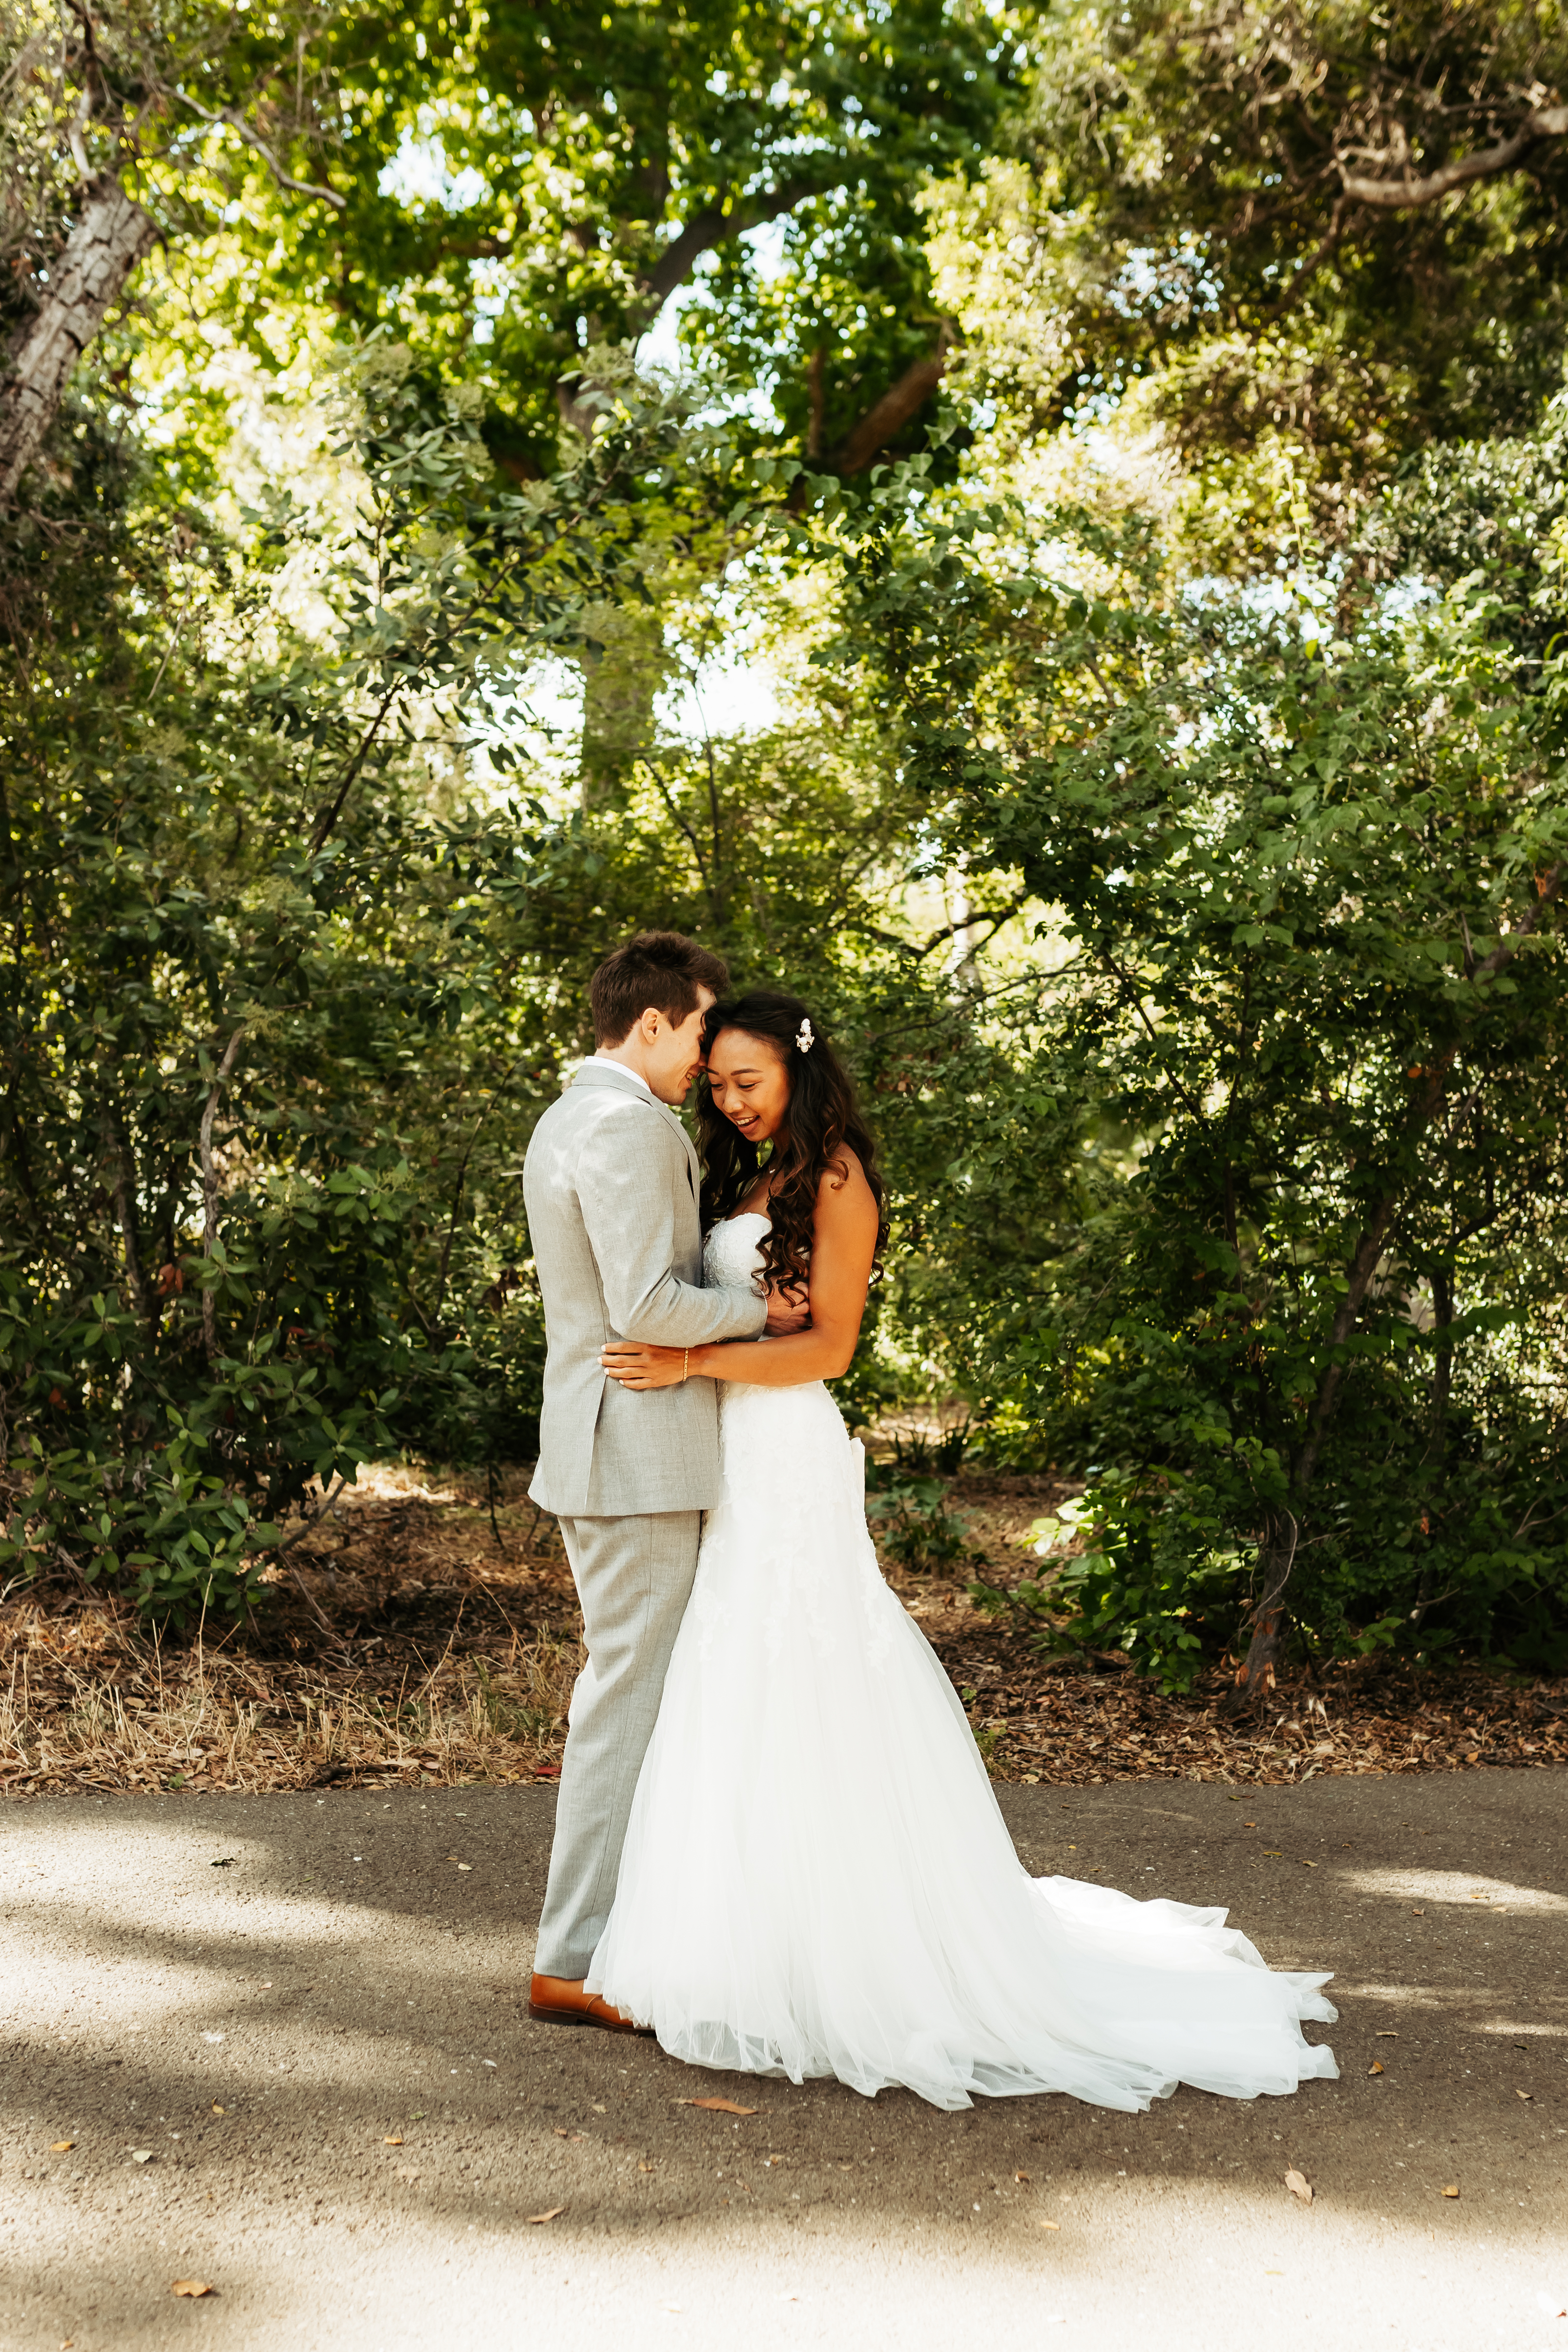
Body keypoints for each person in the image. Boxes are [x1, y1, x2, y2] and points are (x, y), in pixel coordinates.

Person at [589, 990, 1340, 2112]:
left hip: (783, 1447)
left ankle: (843, 1958)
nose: (733, 1101)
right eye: (720, 1084)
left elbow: (831, 1349)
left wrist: (694, 1364)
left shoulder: (835, 1176)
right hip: (720, 1450)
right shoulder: (733, 1174)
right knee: (729, 1674)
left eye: (751, 1082)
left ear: (800, 1069)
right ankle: (742, 1940)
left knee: (798, 1661)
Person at [523, 934, 807, 2033]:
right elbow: (645, 1307)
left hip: (616, 1445)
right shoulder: (628, 1128)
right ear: (652, 1024)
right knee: (626, 1701)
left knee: (636, 1693)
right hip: (634, 1448)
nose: (703, 1057)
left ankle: (619, 1938)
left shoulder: (569, 1116)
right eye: (698, 1031)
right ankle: (575, 1960)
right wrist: (764, 1314)